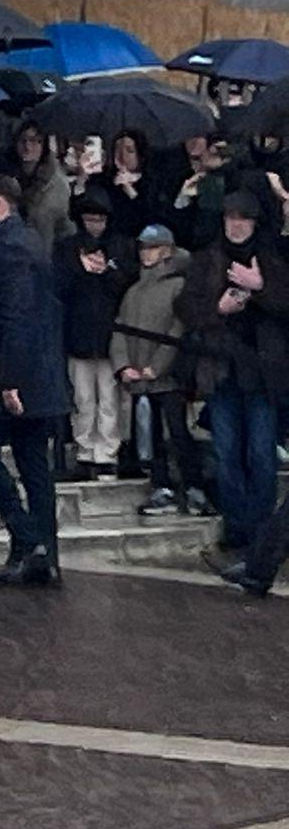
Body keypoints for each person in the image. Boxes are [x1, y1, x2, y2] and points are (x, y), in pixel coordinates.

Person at [0, 173, 67, 587]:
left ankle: (28, 540)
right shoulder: (26, 242)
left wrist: (10, 381)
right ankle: (39, 553)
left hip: (19, 376)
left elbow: (16, 318)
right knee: (33, 468)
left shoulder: (10, 247)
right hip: (35, 375)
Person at [177, 189, 289, 564]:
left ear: (255, 222)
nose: (236, 225)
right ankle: (237, 527)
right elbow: (187, 308)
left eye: (243, 218)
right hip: (222, 370)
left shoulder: (272, 258)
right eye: (230, 218)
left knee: (261, 453)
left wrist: (260, 289)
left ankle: (261, 532)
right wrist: (217, 308)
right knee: (227, 454)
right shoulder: (207, 259)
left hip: (262, 374)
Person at [112, 224, 208, 518]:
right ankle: (161, 487)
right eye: (143, 247)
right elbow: (120, 330)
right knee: (149, 437)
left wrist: (157, 366)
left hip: (168, 380)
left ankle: (194, 489)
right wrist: (123, 366)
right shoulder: (133, 290)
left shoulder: (180, 285)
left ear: (167, 249)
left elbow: (177, 330)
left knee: (178, 434)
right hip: (141, 380)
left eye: (152, 247)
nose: (146, 253)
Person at [52, 188, 138, 481]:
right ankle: (85, 451)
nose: (94, 225)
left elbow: (128, 284)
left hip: (111, 335)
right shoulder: (66, 248)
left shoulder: (122, 247)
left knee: (110, 398)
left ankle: (108, 452)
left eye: (99, 220)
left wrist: (105, 272)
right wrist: (81, 268)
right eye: (89, 219)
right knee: (83, 397)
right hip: (78, 334)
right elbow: (58, 286)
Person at [0, 116, 71, 249]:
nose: (28, 146)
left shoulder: (55, 183)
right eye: (22, 140)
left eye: (35, 141)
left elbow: (45, 232)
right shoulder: (5, 176)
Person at [97, 129, 154, 240]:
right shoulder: (105, 179)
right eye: (117, 150)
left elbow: (148, 213)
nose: (122, 155)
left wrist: (128, 188)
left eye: (130, 151)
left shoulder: (150, 181)